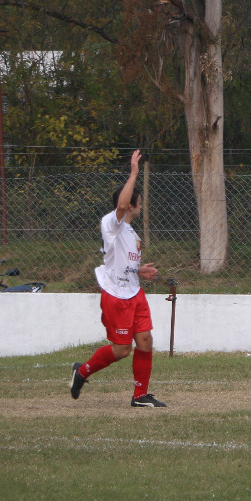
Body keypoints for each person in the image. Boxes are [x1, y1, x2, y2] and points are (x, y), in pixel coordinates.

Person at [69, 149, 166, 407]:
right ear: (130, 205)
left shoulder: (131, 232)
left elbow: (124, 262)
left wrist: (140, 270)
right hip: (116, 295)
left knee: (145, 341)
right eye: (140, 202)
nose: (141, 206)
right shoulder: (112, 223)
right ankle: (81, 372)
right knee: (122, 349)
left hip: (134, 292)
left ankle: (140, 396)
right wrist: (134, 172)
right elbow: (121, 206)